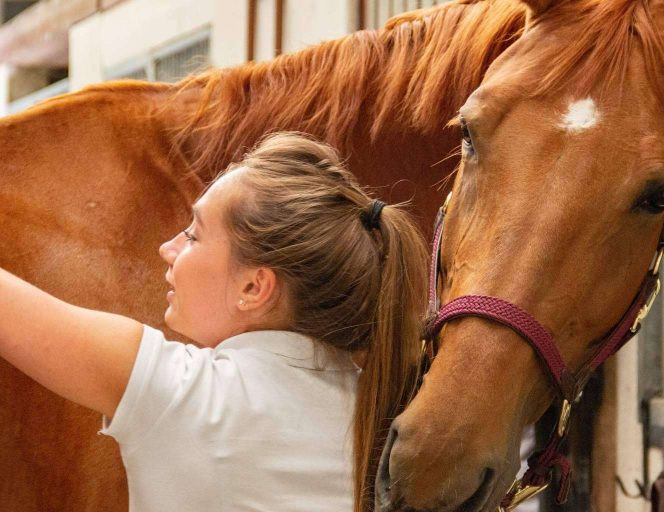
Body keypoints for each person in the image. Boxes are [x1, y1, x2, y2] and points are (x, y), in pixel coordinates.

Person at [0, 132, 429, 512]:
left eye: (193, 234)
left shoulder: (182, 394)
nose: (168, 248)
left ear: (254, 287)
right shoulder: (388, 416)